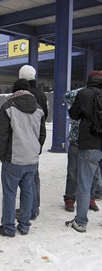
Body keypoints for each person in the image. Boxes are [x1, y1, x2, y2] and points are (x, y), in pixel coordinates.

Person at [0, 79, 46, 237]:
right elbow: (42, 135)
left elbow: (1, 135)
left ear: (14, 90)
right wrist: (36, 150)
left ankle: (8, 227)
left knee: (9, 193)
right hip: (32, 159)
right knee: (28, 191)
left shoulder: (8, 107)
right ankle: (24, 225)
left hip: (13, 159)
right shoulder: (39, 109)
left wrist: (1, 155)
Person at [66, 71, 102, 232]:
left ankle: (80, 222)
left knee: (84, 184)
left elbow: (73, 113)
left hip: (89, 144)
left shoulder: (84, 93)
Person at [16, 65, 49, 220]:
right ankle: (34, 208)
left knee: (26, 179)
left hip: (23, 142)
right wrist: (40, 143)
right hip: (36, 141)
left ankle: (28, 209)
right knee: (34, 176)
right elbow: (44, 117)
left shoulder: (22, 94)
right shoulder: (41, 94)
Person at [63, 86, 100, 212]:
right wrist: (84, 91)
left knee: (95, 174)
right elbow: (67, 96)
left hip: (93, 142)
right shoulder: (81, 95)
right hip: (76, 140)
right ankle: (70, 198)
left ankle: (90, 198)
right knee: (73, 172)